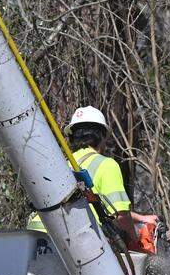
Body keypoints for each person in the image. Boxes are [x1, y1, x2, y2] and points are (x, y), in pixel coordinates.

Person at [27, 106, 156, 251]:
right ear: (103, 136)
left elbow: (99, 208)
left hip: (35, 240)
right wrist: (136, 236)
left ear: (72, 137)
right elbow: (119, 216)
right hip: (72, 242)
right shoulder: (106, 165)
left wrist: (140, 218)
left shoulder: (62, 164)